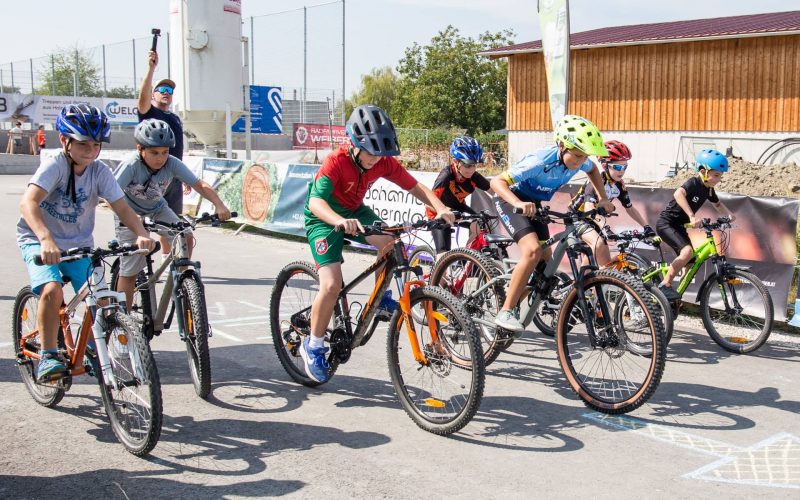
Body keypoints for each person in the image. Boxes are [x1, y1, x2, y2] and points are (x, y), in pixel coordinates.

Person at [301, 104, 455, 383]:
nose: (376, 160)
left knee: (391, 241)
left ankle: (381, 295)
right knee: (332, 285)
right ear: (355, 144)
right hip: (323, 218)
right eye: (371, 153)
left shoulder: (382, 161)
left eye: (380, 154)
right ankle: (313, 345)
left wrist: (441, 207)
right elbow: (315, 201)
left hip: (355, 211)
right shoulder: (336, 161)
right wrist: (337, 219)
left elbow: (416, 187)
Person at [16, 104, 155, 382]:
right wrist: (45, 239)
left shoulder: (99, 171)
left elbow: (122, 207)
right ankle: (48, 354)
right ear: (65, 140)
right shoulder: (54, 164)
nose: (90, 151)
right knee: (52, 291)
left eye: (95, 144)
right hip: (41, 241)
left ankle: (93, 349)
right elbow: (27, 203)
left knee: (103, 301)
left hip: (79, 245)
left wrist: (141, 232)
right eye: (82, 144)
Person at [490, 114, 615, 332]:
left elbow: (594, 169)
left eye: (583, 156)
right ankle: (505, 311)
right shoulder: (539, 161)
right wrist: (518, 202)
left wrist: (602, 197)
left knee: (545, 267)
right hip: (510, 198)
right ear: (561, 146)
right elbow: (497, 182)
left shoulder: (580, 160)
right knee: (532, 251)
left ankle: (514, 297)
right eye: (576, 156)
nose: (579, 162)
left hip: (534, 203)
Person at [113, 119, 231, 307]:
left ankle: (183, 280)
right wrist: (133, 221)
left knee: (185, 235)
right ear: (139, 149)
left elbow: (198, 184)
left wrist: (219, 204)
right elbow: (112, 197)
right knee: (131, 269)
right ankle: (122, 320)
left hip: (157, 208)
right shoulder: (130, 166)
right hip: (128, 212)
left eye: (165, 152)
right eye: (154, 153)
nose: (160, 158)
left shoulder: (172, 164)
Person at [655, 149, 735, 301]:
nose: (719, 179)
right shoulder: (694, 182)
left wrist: (730, 215)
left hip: (679, 226)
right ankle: (664, 285)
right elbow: (678, 194)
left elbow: (718, 205)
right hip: (667, 223)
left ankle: (675, 296)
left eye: (720, 176)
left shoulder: (708, 189)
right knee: (686, 252)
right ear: (703, 171)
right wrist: (692, 216)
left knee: (690, 263)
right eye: (716, 175)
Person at [570, 140, 654, 266]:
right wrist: (605, 228)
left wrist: (646, 227)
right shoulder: (597, 181)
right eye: (618, 167)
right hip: (576, 217)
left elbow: (630, 209)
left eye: (625, 167)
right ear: (605, 165)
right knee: (598, 244)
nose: (622, 171)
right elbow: (588, 207)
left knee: (605, 263)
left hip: (593, 220)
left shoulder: (618, 185)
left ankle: (584, 284)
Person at [137, 49, 185, 256]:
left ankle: (171, 268)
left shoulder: (174, 118)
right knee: (143, 224)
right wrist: (151, 69)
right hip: (152, 177)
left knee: (172, 226)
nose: (166, 92)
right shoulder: (149, 113)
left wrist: (183, 176)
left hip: (173, 177)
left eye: (169, 90)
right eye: (161, 89)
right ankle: (136, 266)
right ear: (153, 93)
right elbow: (142, 98)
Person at [425, 135, 491, 254]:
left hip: (458, 208)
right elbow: (428, 202)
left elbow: (494, 191)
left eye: (475, 165)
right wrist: (444, 210)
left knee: (481, 227)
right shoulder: (446, 176)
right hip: (437, 212)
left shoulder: (474, 176)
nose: (471, 170)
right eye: (467, 165)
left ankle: (468, 258)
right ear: (456, 161)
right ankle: (440, 270)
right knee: (443, 255)